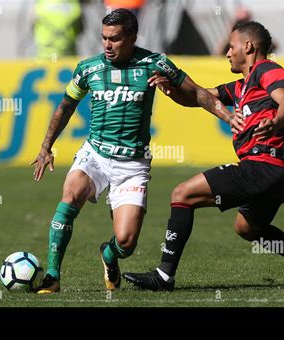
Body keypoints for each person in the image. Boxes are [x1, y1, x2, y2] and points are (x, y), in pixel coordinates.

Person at [30, 8, 236, 293]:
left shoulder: (155, 64)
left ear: (132, 37)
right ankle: (53, 277)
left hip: (132, 164)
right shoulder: (88, 68)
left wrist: (229, 118)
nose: (107, 45)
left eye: (114, 39)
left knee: (126, 242)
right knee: (70, 194)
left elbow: (197, 93)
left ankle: (109, 254)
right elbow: (66, 105)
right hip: (95, 155)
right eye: (104, 38)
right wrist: (45, 147)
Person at [123, 21, 284, 291]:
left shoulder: (268, 69)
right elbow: (200, 97)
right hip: (278, 173)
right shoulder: (241, 86)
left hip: (263, 164)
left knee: (181, 194)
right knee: (246, 228)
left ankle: (163, 276)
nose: (227, 53)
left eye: (231, 47)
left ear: (248, 46)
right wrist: (172, 89)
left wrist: (276, 122)